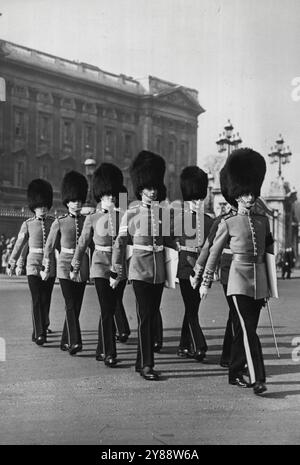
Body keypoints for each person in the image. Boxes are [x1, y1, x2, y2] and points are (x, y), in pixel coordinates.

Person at [199, 148, 275, 396]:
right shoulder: (228, 223)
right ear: (236, 195)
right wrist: (205, 281)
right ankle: (258, 378)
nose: (250, 197)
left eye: (252, 192)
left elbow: (267, 254)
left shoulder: (262, 221)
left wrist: (270, 285)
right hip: (237, 282)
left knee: (244, 329)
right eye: (245, 193)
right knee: (249, 329)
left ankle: (234, 370)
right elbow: (213, 253)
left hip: (258, 282)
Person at [110, 150, 173, 381]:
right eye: (148, 188)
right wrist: (116, 269)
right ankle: (147, 365)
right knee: (145, 316)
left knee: (152, 314)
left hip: (157, 271)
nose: (152, 191)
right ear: (140, 188)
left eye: (155, 187)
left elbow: (169, 243)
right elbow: (120, 242)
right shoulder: (131, 212)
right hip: (139, 270)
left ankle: (140, 361)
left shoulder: (163, 213)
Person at [70, 163, 129, 367]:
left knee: (112, 309)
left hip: (119, 268)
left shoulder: (123, 218)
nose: (111, 198)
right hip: (100, 267)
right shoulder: (92, 218)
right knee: (106, 309)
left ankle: (100, 348)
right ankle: (109, 353)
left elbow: (124, 244)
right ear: (100, 195)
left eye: (112, 194)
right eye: (106, 195)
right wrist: (75, 265)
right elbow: (82, 243)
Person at [42, 171, 88, 356]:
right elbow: (49, 246)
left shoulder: (87, 221)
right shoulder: (59, 222)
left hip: (82, 265)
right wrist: (46, 267)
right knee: (70, 303)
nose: (77, 203)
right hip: (64, 266)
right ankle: (75, 341)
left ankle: (65, 340)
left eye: (79, 200)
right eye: (73, 200)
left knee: (77, 305)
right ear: (67, 202)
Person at [7, 179, 56, 345]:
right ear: (33, 206)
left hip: (49, 265)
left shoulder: (53, 223)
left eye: (44, 206)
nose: (42, 209)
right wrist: (12, 261)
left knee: (46, 298)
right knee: (36, 298)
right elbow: (19, 244)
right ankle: (40, 332)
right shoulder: (27, 224)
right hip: (33, 264)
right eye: (39, 206)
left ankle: (42, 325)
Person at [175, 166, 214, 362]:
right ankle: (199, 345)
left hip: (202, 269)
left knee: (192, 308)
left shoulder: (209, 221)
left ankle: (183, 345)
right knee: (191, 307)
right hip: (185, 269)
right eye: (193, 199)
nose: (197, 202)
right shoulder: (178, 219)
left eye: (200, 198)